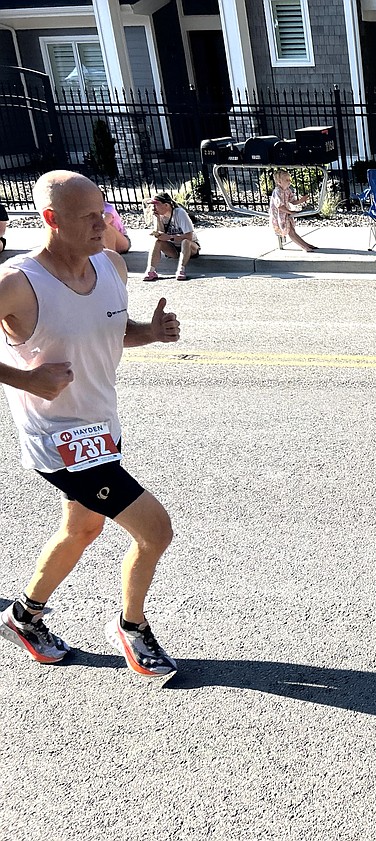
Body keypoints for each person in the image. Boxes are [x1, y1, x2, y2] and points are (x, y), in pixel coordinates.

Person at [0, 170, 182, 680]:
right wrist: (25, 379)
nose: (103, 223)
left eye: (103, 211)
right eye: (87, 217)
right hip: (57, 441)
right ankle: (132, 625)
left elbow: (110, 331)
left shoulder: (113, 266)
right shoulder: (18, 284)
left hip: (101, 426)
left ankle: (24, 617)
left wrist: (150, 332)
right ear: (51, 220)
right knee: (155, 530)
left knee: (82, 527)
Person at [144, 192, 200, 282]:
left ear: (166, 205)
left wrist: (170, 237)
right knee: (157, 242)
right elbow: (160, 235)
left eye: (156, 205)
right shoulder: (159, 215)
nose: (153, 208)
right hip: (173, 248)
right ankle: (150, 270)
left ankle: (181, 270)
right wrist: (158, 220)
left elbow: (189, 236)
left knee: (185, 242)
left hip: (190, 247)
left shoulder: (180, 213)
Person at [269, 170, 317, 253]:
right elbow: (279, 206)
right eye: (286, 180)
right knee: (290, 231)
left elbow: (292, 201)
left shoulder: (287, 190)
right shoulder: (277, 191)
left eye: (289, 179)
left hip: (286, 213)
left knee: (292, 230)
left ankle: (305, 245)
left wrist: (301, 201)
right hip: (279, 215)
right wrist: (290, 212)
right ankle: (304, 247)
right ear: (279, 182)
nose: (289, 182)